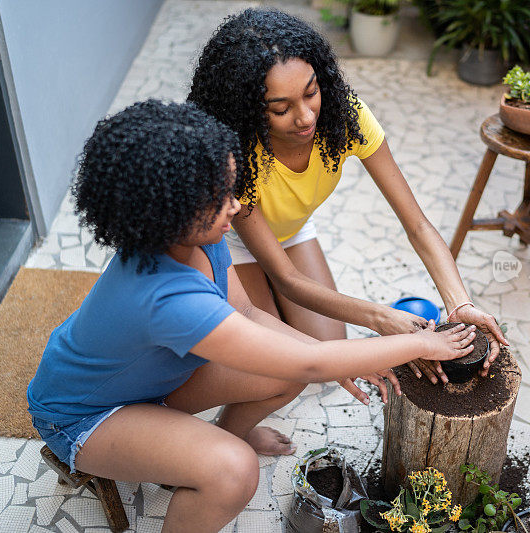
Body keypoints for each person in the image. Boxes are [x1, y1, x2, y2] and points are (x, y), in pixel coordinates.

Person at [27, 100, 478, 532]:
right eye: (220, 197)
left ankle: (224, 435)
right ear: (169, 211)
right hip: (86, 415)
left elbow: (245, 311)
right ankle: (212, 453)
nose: (237, 205)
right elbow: (311, 363)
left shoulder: (192, 237)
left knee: (282, 373)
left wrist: (334, 354)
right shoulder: (168, 298)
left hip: (147, 384)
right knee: (235, 472)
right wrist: (422, 343)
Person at [187, 8, 509, 403]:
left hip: (291, 228)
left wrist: (459, 303)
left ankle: (277, 311)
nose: (306, 117)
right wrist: (380, 317)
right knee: (279, 365)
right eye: (281, 108)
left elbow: (419, 226)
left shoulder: (345, 116)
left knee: (329, 345)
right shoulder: (236, 153)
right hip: (231, 242)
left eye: (310, 92)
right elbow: (287, 276)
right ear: (248, 109)